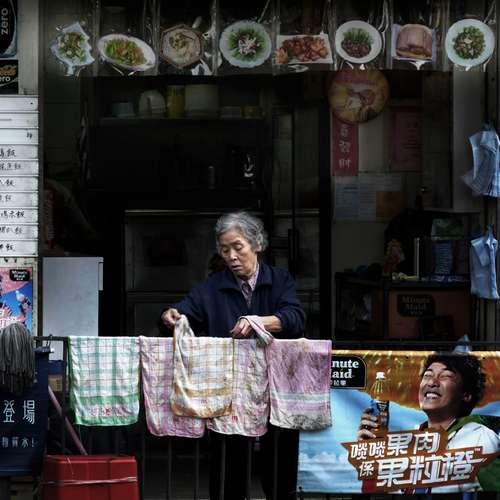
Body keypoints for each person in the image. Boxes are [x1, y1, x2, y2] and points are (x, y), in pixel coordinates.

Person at [161, 211, 305, 500]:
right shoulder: (212, 288)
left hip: (275, 388)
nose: (231, 256)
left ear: (257, 244)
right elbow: (185, 312)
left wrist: (258, 322)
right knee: (230, 467)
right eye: (225, 250)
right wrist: (170, 315)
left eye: (238, 247)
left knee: (279, 464)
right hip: (229, 391)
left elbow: (295, 318)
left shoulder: (279, 280)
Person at [358, 353, 500, 493]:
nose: (432, 382)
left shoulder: (478, 437)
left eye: (445, 376)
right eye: (427, 376)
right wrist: (372, 454)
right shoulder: (411, 444)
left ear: (466, 395)